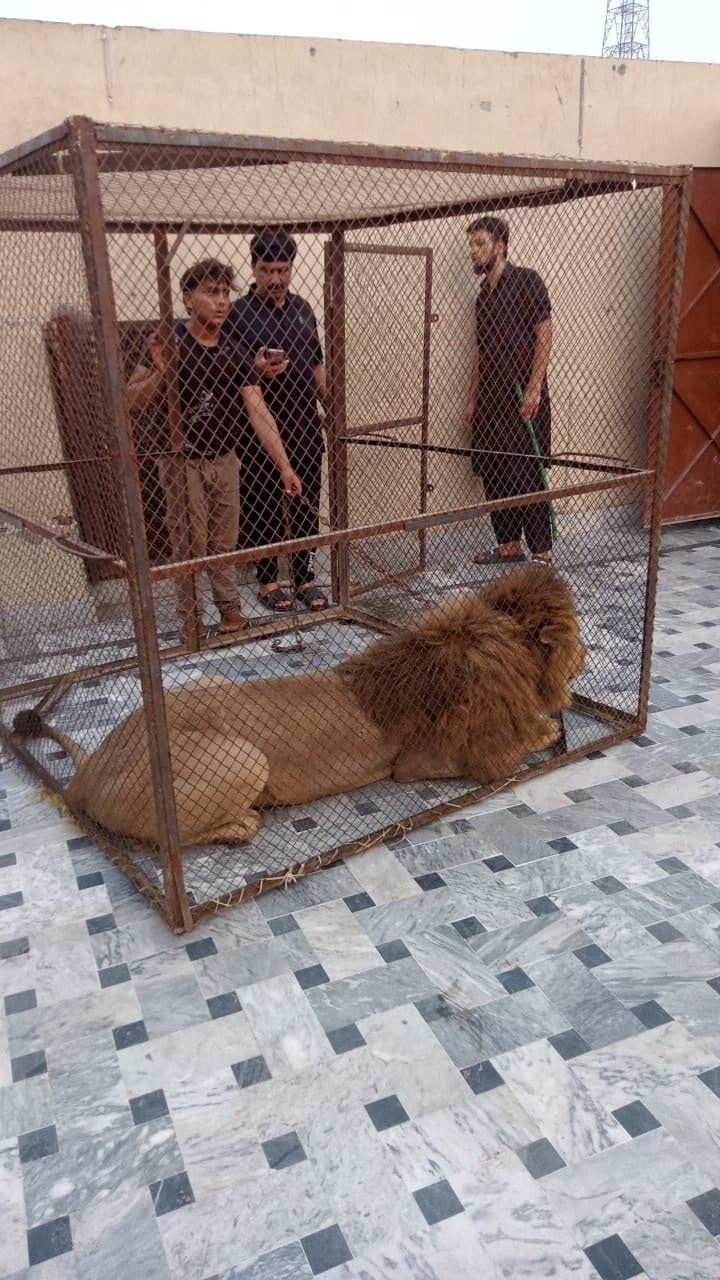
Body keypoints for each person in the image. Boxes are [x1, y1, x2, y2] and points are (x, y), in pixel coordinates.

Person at [127, 257, 302, 642]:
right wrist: (162, 370)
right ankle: (192, 622)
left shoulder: (235, 351)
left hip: (224, 458)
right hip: (181, 460)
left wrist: (285, 466)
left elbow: (259, 412)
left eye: (225, 292)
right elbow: (131, 401)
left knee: (224, 542)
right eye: (211, 292)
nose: (221, 301)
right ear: (188, 299)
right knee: (190, 545)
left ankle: (231, 615)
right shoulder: (169, 342)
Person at [225, 230, 329, 613]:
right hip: (259, 432)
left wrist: (333, 405)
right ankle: (268, 580)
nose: (275, 279)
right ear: (254, 268)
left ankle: (304, 577)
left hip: (304, 426)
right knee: (262, 503)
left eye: (282, 270)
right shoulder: (239, 313)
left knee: (306, 504)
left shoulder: (303, 309)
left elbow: (317, 364)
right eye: (267, 270)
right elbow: (234, 371)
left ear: (290, 269)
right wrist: (257, 370)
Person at [462, 216, 554, 565]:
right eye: (471, 244)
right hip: (490, 399)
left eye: (479, 243)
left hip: (521, 398)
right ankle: (509, 545)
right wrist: (472, 399)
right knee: (494, 470)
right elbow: (481, 353)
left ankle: (542, 552)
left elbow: (545, 333)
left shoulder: (528, 281)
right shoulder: (483, 297)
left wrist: (534, 388)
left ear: (500, 246)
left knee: (528, 474)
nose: (472, 251)